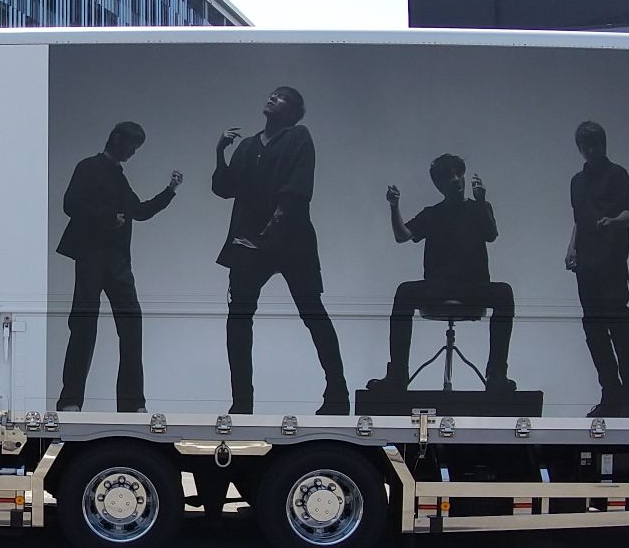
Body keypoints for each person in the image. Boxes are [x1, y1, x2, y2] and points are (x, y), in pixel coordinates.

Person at [212, 86, 348, 416]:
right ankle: (242, 403)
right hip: (249, 242)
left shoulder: (299, 136)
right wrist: (219, 152)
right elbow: (224, 188)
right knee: (239, 318)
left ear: (293, 111)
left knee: (312, 312)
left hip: (291, 240)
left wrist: (276, 222)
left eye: (282, 97)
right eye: (273, 94)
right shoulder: (247, 146)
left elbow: (298, 187)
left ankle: (337, 392)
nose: (273, 98)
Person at [55, 121, 183, 413]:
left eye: (136, 148)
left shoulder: (118, 177)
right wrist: (107, 217)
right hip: (91, 256)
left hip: (118, 262)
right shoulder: (89, 167)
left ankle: (132, 403)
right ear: (116, 139)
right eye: (131, 146)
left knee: (130, 327)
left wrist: (170, 190)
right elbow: (71, 203)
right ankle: (71, 400)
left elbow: (139, 211)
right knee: (84, 326)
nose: (132, 152)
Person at [367, 154, 518, 393]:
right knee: (404, 292)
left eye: (459, 174)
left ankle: (497, 374)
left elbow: (491, 234)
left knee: (504, 293)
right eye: (448, 176)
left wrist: (481, 201)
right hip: (438, 287)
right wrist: (394, 207)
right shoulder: (432, 213)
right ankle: (397, 375)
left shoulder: (479, 208)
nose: (456, 180)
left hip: (473, 287)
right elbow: (402, 236)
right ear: (439, 185)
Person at [567, 121, 629, 418]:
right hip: (586, 266)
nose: (590, 150)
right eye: (584, 145)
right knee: (594, 331)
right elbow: (579, 219)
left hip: (611, 262)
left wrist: (613, 221)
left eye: (594, 144)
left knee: (620, 330)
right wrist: (571, 248)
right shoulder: (577, 181)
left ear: (603, 144)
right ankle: (610, 394)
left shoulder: (617, 174)